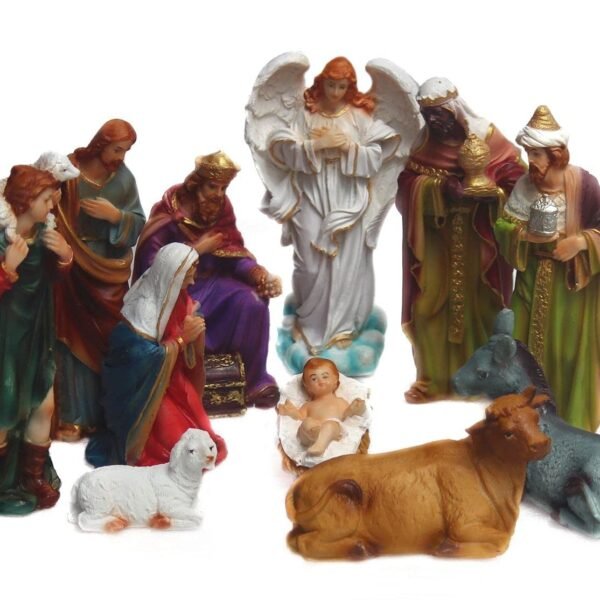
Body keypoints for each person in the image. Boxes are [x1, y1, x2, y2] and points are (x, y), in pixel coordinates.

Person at [396, 77, 525, 402]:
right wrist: (438, 188)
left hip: (480, 242)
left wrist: (492, 194)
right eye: (427, 115)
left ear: (455, 110)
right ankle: (433, 380)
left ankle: (486, 379)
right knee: (427, 306)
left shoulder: (489, 139)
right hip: (435, 243)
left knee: (483, 306)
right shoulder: (423, 146)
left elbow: (518, 182)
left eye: (438, 113)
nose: (433, 121)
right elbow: (405, 185)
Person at [264, 57, 401, 354]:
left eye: (342, 86)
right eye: (331, 85)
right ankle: (308, 323)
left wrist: (346, 146)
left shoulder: (359, 118)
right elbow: (282, 149)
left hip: (348, 199)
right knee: (309, 264)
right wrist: (316, 146)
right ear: (321, 82)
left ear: (350, 87)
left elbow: (377, 156)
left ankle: (341, 328)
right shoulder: (305, 115)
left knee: (347, 264)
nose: (336, 92)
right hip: (309, 194)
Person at [133, 151, 281, 408]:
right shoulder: (168, 213)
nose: (218, 194)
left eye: (223, 188)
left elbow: (232, 251)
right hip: (176, 288)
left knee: (253, 302)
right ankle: (177, 382)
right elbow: (151, 266)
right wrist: (198, 249)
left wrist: (258, 274)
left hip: (215, 283)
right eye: (213, 186)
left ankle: (254, 380)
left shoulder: (221, 208)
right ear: (196, 184)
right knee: (187, 315)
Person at [494, 106, 600, 432]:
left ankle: (570, 424)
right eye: (528, 153)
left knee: (567, 357)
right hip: (531, 280)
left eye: (536, 154)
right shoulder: (525, 186)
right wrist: (526, 236)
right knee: (522, 347)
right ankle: (525, 422)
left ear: (556, 154)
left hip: (572, 292)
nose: (531, 161)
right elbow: (503, 225)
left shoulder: (585, 186)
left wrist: (580, 243)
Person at [85, 242, 227, 468]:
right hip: (147, 393)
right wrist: (182, 340)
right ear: (173, 275)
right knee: (177, 446)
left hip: (173, 381)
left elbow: (183, 331)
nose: (192, 282)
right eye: (187, 276)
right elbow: (139, 358)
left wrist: (194, 330)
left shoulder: (178, 295)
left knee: (201, 439)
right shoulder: (145, 309)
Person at [53, 119, 146, 440]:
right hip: (69, 265)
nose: (121, 157)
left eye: (126, 151)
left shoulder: (124, 180)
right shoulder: (69, 172)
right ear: (100, 144)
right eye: (117, 149)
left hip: (107, 268)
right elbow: (46, 205)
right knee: (69, 338)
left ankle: (109, 413)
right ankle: (74, 415)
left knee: (110, 336)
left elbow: (138, 222)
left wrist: (116, 216)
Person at [0, 165, 73, 514]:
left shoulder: (46, 234)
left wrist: (66, 256)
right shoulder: (3, 238)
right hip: (4, 340)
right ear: (27, 200)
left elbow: (56, 279)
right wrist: (8, 269)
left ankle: (31, 478)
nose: (52, 205)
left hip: (35, 334)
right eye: (46, 199)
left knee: (43, 405)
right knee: (4, 411)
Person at [277, 358, 365, 456]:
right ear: (307, 386)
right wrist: (291, 412)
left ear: (335, 380)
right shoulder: (308, 405)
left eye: (325, 377)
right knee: (307, 423)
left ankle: (319, 445)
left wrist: (354, 409)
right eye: (314, 379)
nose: (320, 381)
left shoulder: (340, 401)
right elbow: (300, 419)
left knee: (330, 425)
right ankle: (312, 436)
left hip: (334, 432)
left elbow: (347, 418)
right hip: (312, 433)